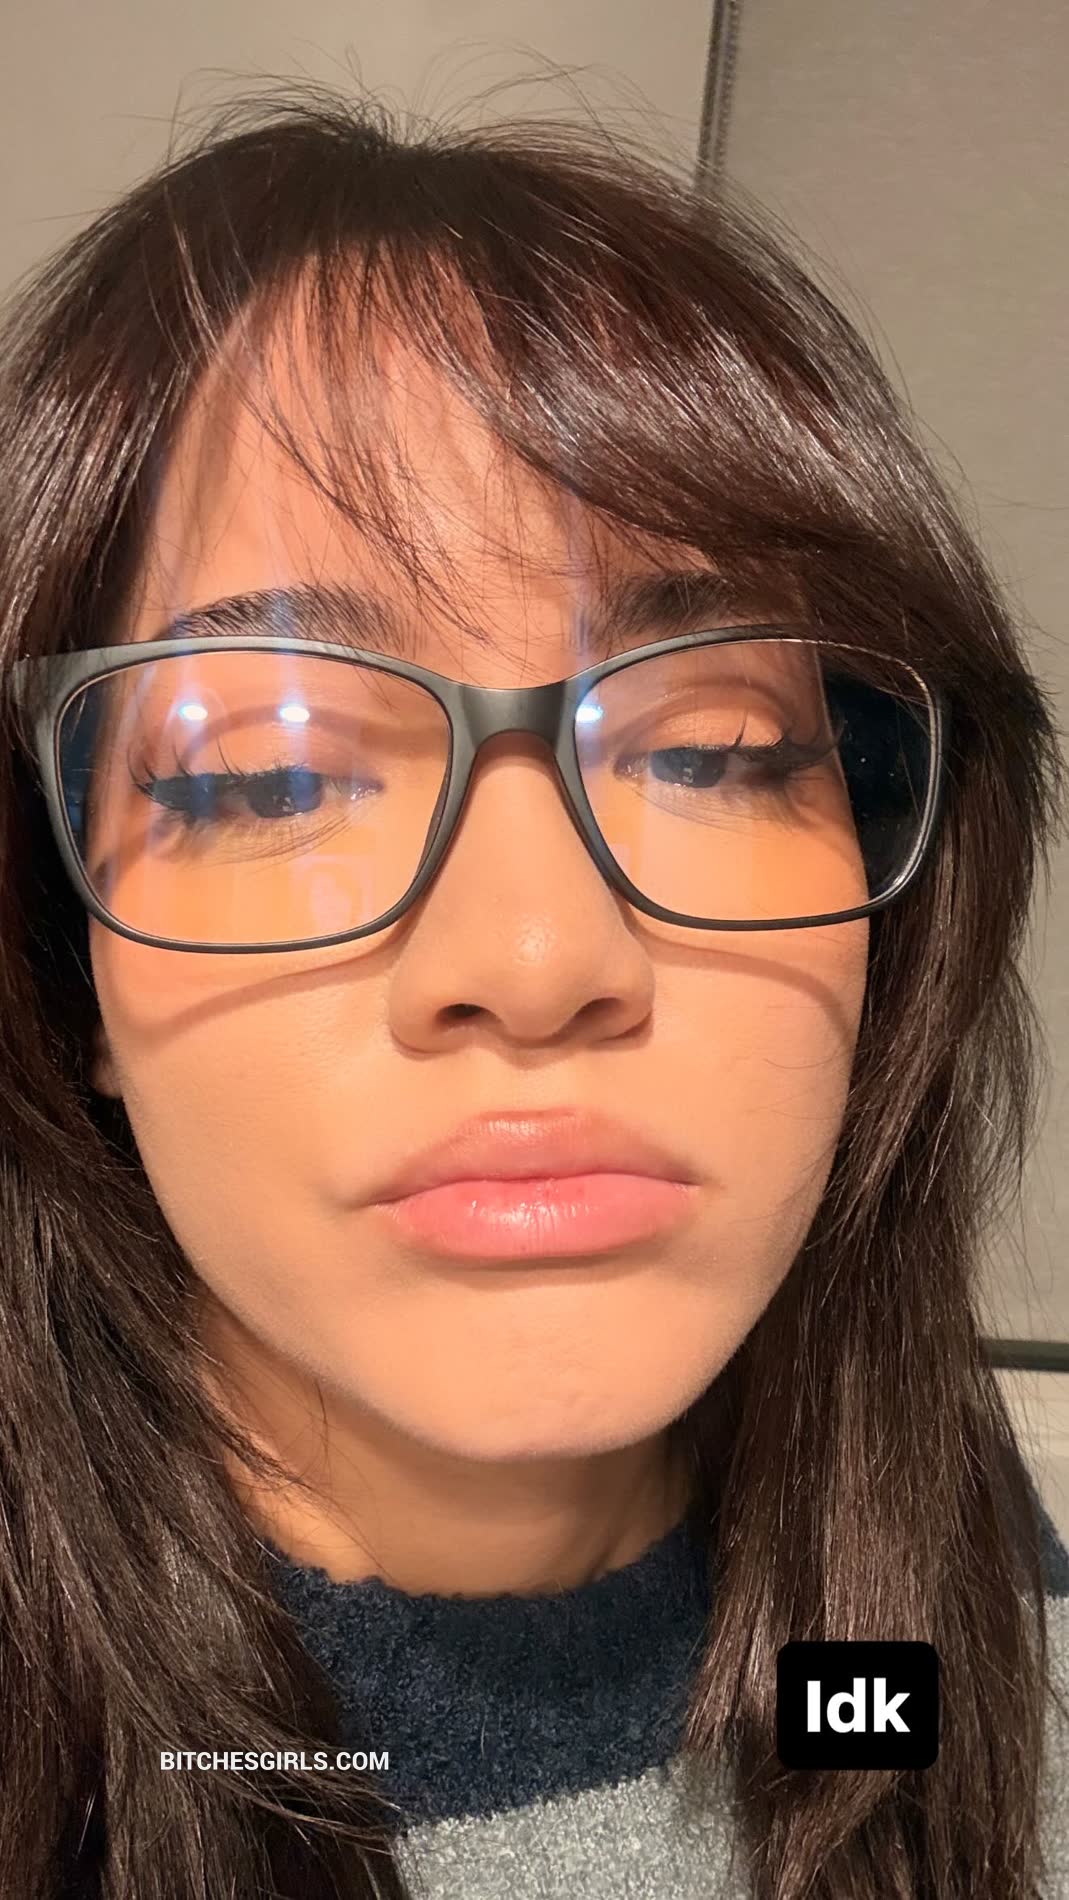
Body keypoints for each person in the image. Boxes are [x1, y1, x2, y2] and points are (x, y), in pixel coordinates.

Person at [0, 80, 1066, 1900]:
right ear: (62, 957)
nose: (533, 962)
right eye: (267, 775)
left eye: (715, 751)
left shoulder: (940, 1574)